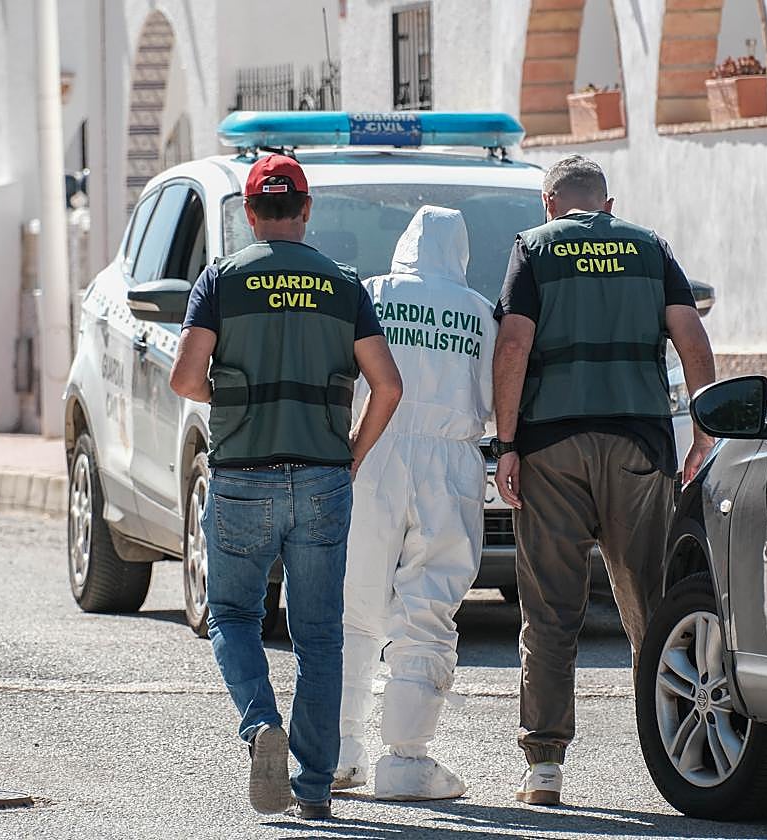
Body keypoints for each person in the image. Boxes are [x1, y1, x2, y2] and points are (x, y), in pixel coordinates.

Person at [169, 154, 403, 820]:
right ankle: (315, 787)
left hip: (243, 473)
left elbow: (184, 379)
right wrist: (351, 456)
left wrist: (231, 402)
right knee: (320, 635)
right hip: (324, 475)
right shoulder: (344, 284)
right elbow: (388, 385)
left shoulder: (221, 280)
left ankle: (258, 724)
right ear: (305, 210)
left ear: (249, 214)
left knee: (234, 615)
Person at [490, 155, 716, 806]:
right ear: (608, 204)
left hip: (552, 447)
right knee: (653, 603)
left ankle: (544, 766)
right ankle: (679, 751)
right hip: (639, 446)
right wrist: (705, 429)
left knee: (551, 610)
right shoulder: (651, 248)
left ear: (549, 203)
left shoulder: (534, 249)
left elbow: (513, 347)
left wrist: (507, 445)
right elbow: (690, 339)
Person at [333, 206, 496, 801]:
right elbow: (497, 399)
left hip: (372, 447)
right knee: (428, 608)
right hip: (449, 462)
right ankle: (405, 760)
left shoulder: (373, 292)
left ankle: (339, 750)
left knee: (353, 606)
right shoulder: (480, 312)